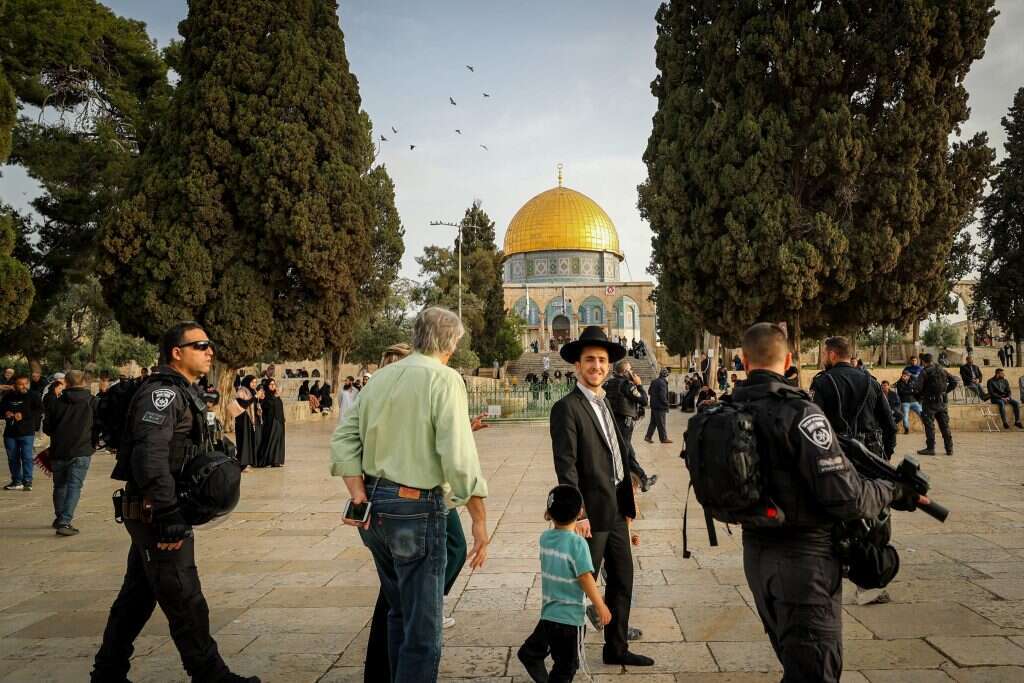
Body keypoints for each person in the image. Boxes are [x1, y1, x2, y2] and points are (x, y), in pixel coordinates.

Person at [734, 323, 921, 682]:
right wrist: (891, 489)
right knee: (816, 670)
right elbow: (848, 497)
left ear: (743, 361)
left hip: (757, 555)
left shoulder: (735, 407)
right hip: (804, 561)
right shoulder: (800, 412)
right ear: (789, 359)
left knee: (795, 661)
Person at [92, 322, 258, 683]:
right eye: (200, 345)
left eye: (209, 345)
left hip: (155, 509)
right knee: (185, 599)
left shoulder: (185, 392)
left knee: (137, 597)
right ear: (176, 352)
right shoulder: (162, 394)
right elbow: (149, 457)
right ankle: (211, 676)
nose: (209, 351)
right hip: (157, 512)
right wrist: (167, 513)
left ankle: (107, 673)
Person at [331, 306, 489, 683]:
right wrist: (480, 520)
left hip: (373, 510)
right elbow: (458, 456)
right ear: (450, 343)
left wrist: (358, 493)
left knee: (399, 613)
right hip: (415, 511)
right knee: (423, 629)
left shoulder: (380, 380)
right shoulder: (444, 379)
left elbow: (343, 439)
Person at [550, 325, 653, 668]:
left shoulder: (606, 402)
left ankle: (616, 648)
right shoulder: (567, 407)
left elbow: (618, 455)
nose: (597, 365)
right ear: (577, 366)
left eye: (602, 360)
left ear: (609, 365)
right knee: (582, 586)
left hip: (616, 510)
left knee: (622, 580)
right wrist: (577, 515)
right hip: (590, 514)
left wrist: (629, 500)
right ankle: (548, 652)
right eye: (590, 360)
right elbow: (566, 466)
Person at [517, 485, 611, 683]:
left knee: (554, 655)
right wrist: (600, 606)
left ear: (549, 513)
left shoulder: (545, 538)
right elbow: (585, 578)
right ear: (580, 512)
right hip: (569, 619)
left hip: (549, 613)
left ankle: (531, 653)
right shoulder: (578, 544)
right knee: (566, 667)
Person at [810, 336, 897, 461]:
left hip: (836, 456)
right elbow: (890, 424)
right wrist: (886, 454)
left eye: (824, 354)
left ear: (832, 355)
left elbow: (813, 422)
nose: (823, 358)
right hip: (870, 455)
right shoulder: (871, 382)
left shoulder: (821, 382)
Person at [43, 369, 96, 535]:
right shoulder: (92, 402)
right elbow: (99, 424)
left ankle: (60, 518)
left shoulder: (56, 403)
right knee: (74, 486)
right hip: (82, 449)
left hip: (59, 450)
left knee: (59, 485)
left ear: (66, 382)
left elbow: (47, 428)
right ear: (83, 382)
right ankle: (65, 521)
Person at [604, 359, 657, 492]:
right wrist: (638, 385)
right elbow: (644, 400)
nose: (633, 372)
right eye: (630, 370)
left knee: (628, 453)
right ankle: (626, 483)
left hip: (612, 423)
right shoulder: (627, 385)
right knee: (624, 453)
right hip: (624, 425)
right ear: (625, 372)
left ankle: (643, 479)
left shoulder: (607, 383)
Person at [2, 375, 43, 491]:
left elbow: (40, 410)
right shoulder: (8, 396)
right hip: (10, 432)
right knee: (12, 458)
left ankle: (28, 481)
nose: (24, 386)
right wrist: (6, 413)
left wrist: (24, 416)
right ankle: (16, 481)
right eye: (21, 384)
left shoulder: (33, 395)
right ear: (15, 385)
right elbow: (1, 409)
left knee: (27, 457)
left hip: (26, 432)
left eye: (26, 383)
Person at [916, 353, 954, 456]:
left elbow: (918, 388)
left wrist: (920, 397)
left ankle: (930, 448)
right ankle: (949, 449)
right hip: (942, 403)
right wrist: (945, 392)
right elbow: (954, 381)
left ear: (923, 361)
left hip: (929, 403)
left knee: (929, 426)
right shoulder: (941, 369)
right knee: (945, 426)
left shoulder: (924, 372)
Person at [232, 376, 262, 469]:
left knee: (252, 440)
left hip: (252, 420)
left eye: (255, 382)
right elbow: (243, 404)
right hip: (243, 419)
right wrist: (255, 397)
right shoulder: (242, 391)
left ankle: (250, 461)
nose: (254, 384)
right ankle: (243, 464)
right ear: (247, 382)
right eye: (252, 382)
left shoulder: (253, 392)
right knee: (244, 441)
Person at [257, 379, 286, 467]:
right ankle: (267, 460)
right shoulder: (265, 397)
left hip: (279, 421)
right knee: (270, 440)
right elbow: (265, 408)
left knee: (278, 441)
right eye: (270, 384)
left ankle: (276, 461)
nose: (273, 386)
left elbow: (280, 408)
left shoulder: (277, 397)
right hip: (270, 423)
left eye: (274, 384)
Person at [643, 368, 672, 444]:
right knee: (661, 423)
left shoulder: (654, 381)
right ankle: (664, 439)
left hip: (654, 405)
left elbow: (649, 392)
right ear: (666, 375)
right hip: (660, 406)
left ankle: (648, 437)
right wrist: (666, 403)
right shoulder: (663, 383)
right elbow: (662, 396)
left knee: (653, 422)